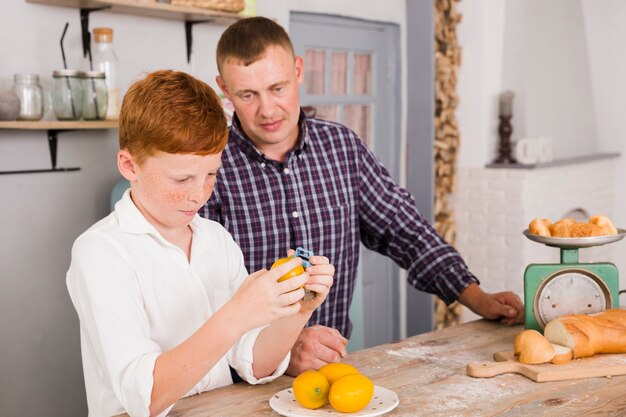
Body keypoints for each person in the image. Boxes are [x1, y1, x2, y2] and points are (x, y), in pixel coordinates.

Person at [200, 16, 524, 376]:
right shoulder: (209, 167)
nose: (268, 110)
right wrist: (279, 347)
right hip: (238, 380)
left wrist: (477, 298)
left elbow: (404, 229)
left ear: (298, 70)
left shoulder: (342, 148)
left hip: (331, 370)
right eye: (248, 94)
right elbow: (203, 294)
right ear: (224, 89)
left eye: (278, 88)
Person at [66, 70, 334, 417]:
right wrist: (237, 315)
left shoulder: (215, 239)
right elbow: (144, 398)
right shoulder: (101, 253)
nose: (199, 194)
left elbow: (256, 364)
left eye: (211, 174)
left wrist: (298, 310)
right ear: (129, 165)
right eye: (181, 178)